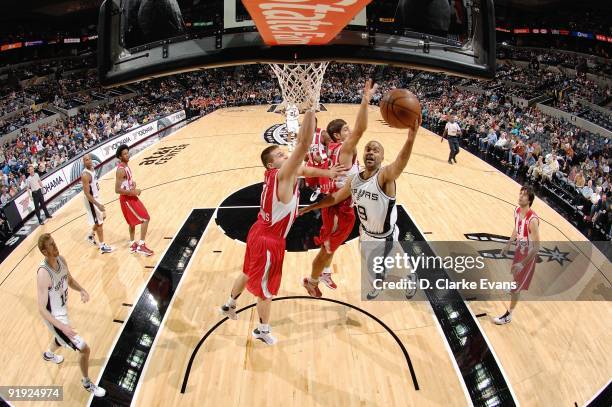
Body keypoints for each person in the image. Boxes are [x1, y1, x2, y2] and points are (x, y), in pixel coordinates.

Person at [218, 111, 346, 345]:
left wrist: (327, 172)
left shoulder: (277, 174)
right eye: (280, 154)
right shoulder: (283, 174)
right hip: (270, 240)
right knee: (266, 290)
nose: (285, 155)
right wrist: (310, 109)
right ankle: (262, 330)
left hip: (258, 230)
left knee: (247, 271)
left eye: (285, 153)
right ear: (271, 163)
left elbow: (304, 170)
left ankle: (229, 304)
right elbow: (305, 144)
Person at [300, 99, 421, 299]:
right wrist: (312, 207)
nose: (371, 152)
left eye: (376, 150)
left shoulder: (385, 177)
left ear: (383, 158)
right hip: (365, 232)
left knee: (385, 270)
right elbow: (335, 198)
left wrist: (410, 138)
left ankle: (408, 278)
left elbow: (399, 164)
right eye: (368, 149)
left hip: (385, 237)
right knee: (372, 271)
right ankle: (375, 281)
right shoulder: (355, 180)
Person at [303, 80, 378, 294]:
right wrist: (365, 99)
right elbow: (362, 128)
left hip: (343, 202)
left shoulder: (336, 147)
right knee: (326, 248)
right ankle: (312, 281)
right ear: (338, 135)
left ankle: (324, 272)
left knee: (331, 246)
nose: (350, 130)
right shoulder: (344, 149)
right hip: (338, 205)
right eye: (346, 129)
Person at [35, 233, 106, 397]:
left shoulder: (61, 260)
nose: (55, 246)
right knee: (84, 349)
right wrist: (62, 327)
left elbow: (70, 280)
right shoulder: (43, 274)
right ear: (45, 252)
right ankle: (87, 383)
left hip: (62, 311)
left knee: (61, 340)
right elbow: (41, 309)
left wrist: (82, 290)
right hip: (54, 319)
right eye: (51, 245)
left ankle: (49, 354)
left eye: (54, 242)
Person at [493, 185, 540, 325]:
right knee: (515, 275)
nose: (520, 196)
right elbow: (516, 227)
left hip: (528, 255)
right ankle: (514, 285)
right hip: (520, 248)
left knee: (517, 287)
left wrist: (522, 263)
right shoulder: (517, 210)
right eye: (520, 193)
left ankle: (509, 315)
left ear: (530, 199)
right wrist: (508, 244)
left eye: (524, 194)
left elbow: (537, 247)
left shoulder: (532, 220)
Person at [114, 144, 153, 256]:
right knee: (145, 218)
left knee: (132, 222)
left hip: (130, 196)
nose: (127, 155)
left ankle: (132, 244)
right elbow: (117, 190)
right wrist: (133, 192)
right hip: (127, 199)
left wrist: (132, 184)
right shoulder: (120, 170)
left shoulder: (126, 166)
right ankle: (141, 245)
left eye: (127, 152)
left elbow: (126, 183)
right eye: (124, 154)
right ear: (120, 157)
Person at [81, 154, 113, 254]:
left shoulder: (92, 169)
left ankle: (90, 235)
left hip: (96, 197)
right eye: (86, 160)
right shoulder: (85, 175)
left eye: (89, 159)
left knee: (103, 217)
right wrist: (97, 204)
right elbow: (86, 193)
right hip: (92, 200)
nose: (88, 161)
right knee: (99, 223)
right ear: (84, 162)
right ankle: (102, 246)